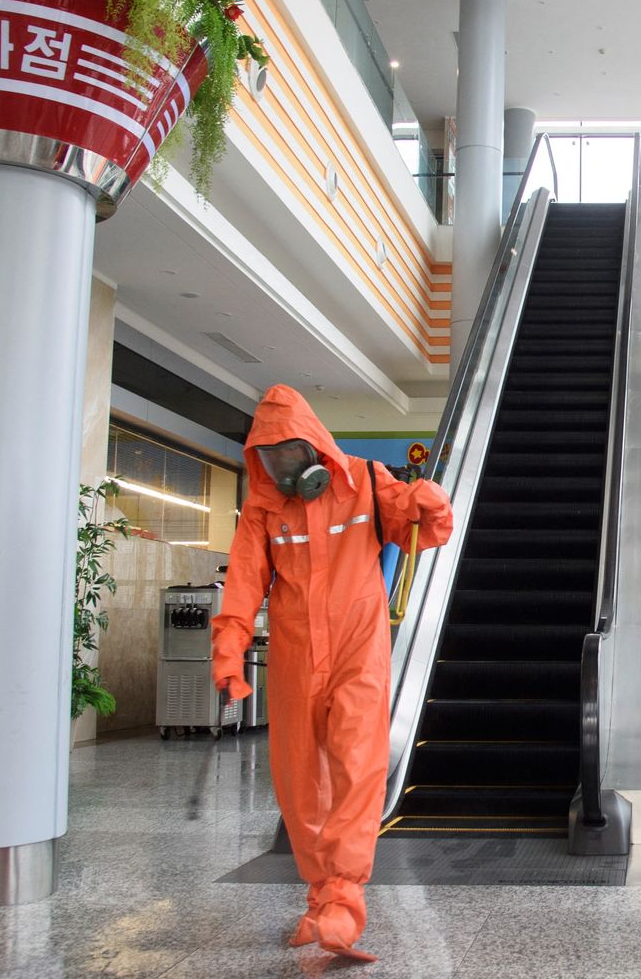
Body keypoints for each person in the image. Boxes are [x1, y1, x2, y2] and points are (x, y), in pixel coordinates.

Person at [211, 385, 453, 961]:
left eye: (291, 454)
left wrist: (430, 502)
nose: (284, 469)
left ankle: (344, 895)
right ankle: (322, 900)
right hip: (295, 659)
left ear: (315, 445)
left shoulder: (366, 481)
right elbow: (243, 586)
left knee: (356, 768)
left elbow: (425, 531)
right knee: (300, 785)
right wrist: (229, 654)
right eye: (270, 459)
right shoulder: (264, 509)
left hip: (357, 655)